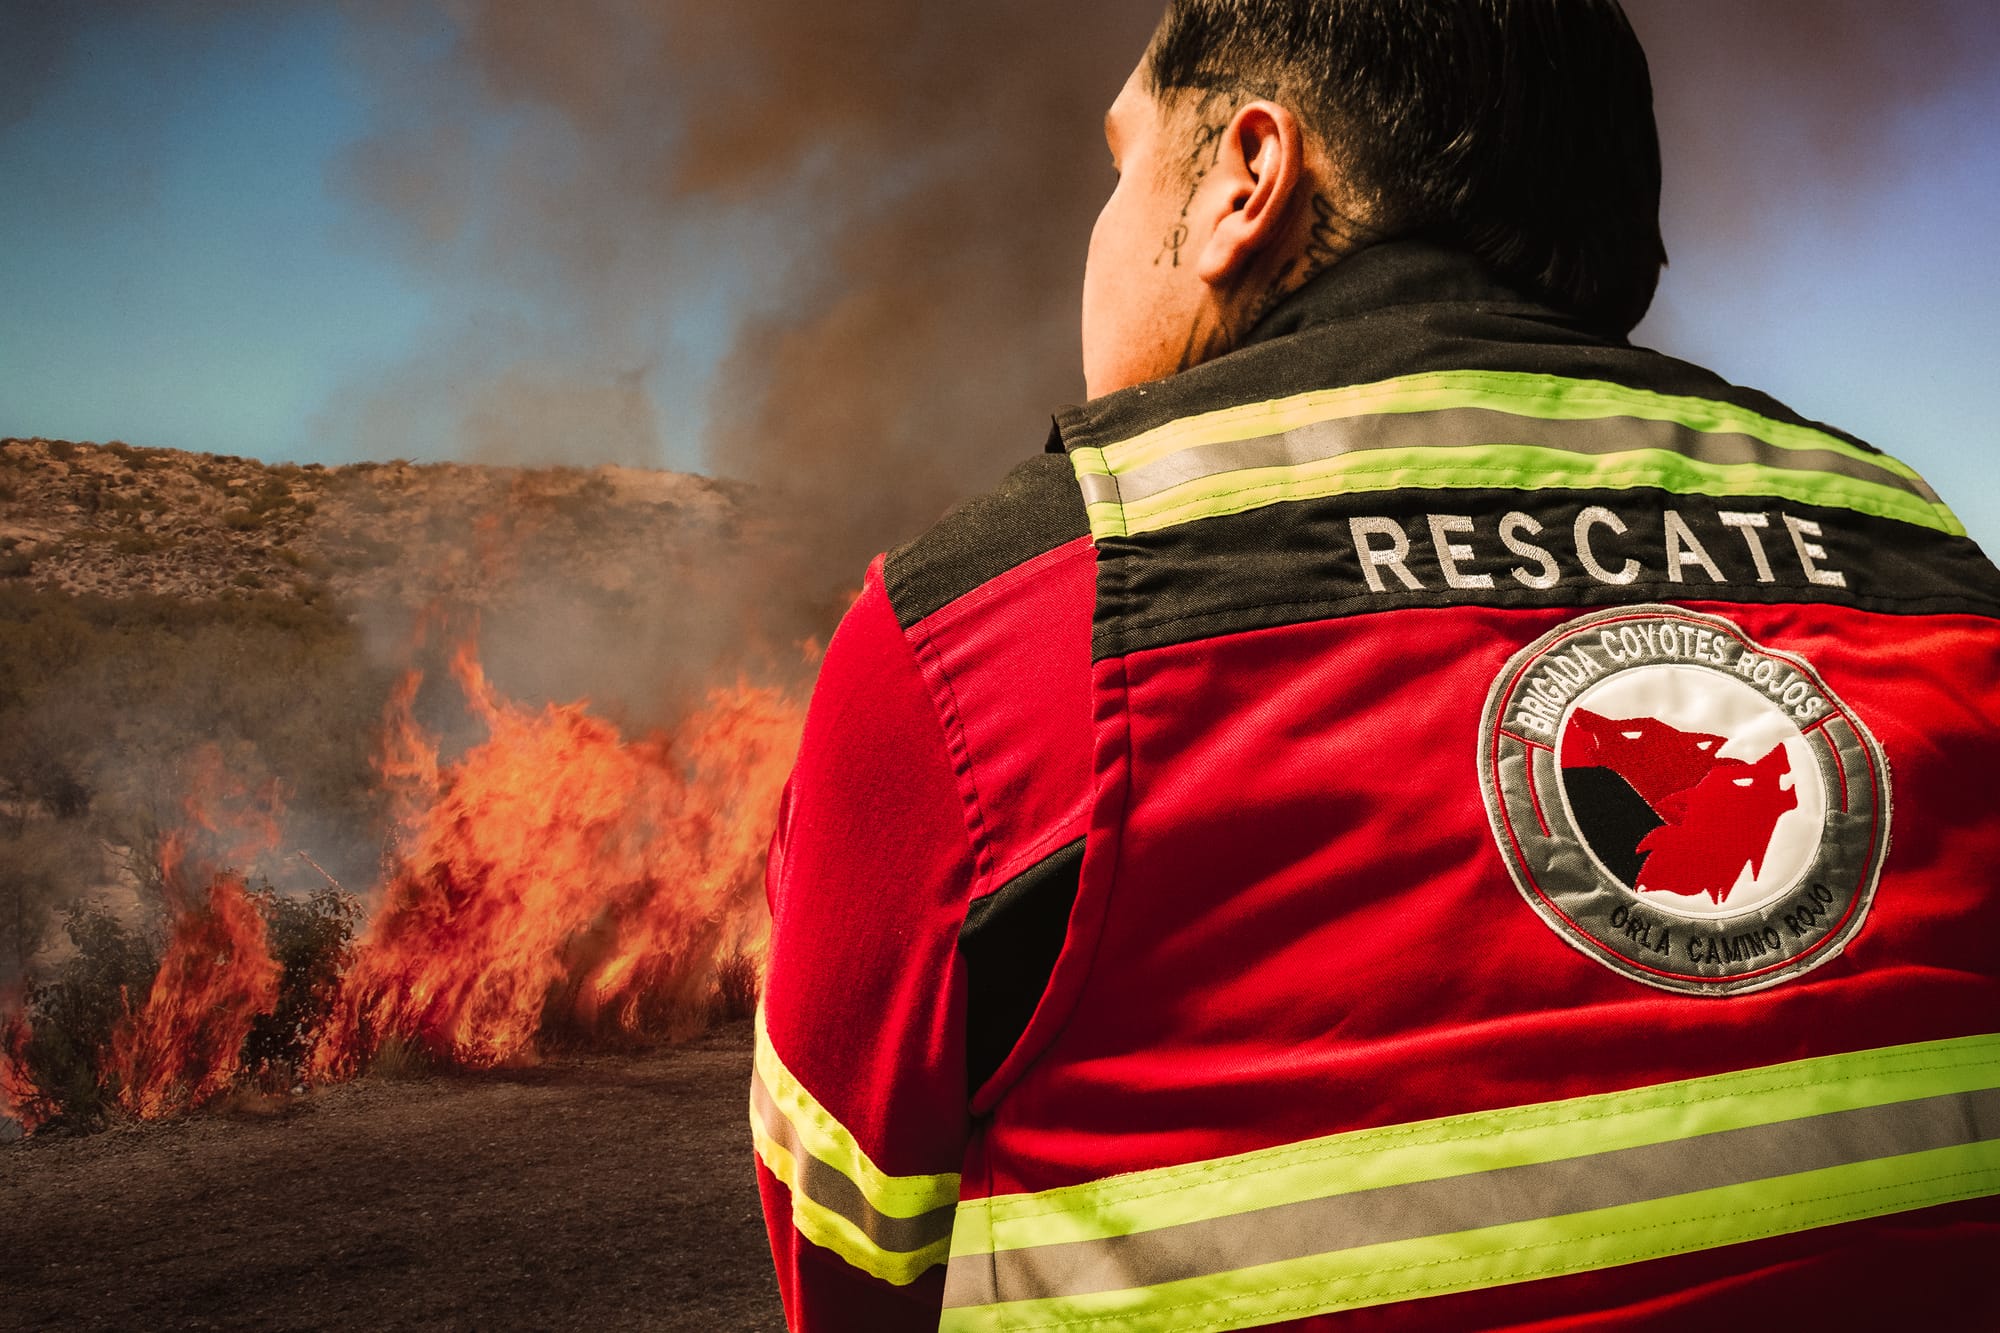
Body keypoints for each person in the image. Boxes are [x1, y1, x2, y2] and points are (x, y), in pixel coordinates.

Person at [751, 2, 2000, 1328]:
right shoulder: (1934, 568)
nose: (1099, 230)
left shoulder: (992, 633)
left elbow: (853, 1269)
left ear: (1245, 176)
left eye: (1118, 166)